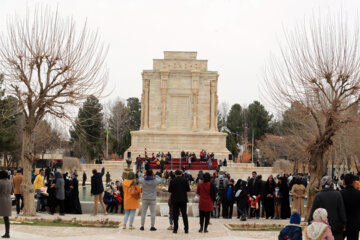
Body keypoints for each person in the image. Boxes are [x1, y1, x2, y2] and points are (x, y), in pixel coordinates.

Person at [309, 176, 346, 240]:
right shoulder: (338, 194)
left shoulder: (318, 195)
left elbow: (313, 211)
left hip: (322, 226)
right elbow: (341, 210)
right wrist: (344, 223)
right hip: (336, 226)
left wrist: (309, 222)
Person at [168, 170, 190, 234]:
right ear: (181, 174)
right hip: (183, 199)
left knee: (175, 215)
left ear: (175, 174)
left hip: (175, 200)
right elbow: (188, 189)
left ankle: (175, 229)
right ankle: (186, 229)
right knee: (184, 215)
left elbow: (170, 190)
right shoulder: (185, 180)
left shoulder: (172, 181)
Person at [340, 173, 360, 240]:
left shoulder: (340, 193)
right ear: (353, 182)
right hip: (355, 224)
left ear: (345, 182)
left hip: (342, 224)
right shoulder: (358, 194)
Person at [0, 171, 12, 238]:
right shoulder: (10, 181)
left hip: (1, 199)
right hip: (8, 200)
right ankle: (7, 233)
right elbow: (12, 191)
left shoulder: (0, 182)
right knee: (6, 218)